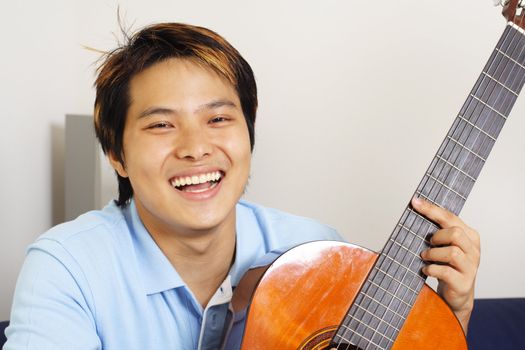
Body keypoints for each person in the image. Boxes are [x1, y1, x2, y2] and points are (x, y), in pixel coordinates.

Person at [4, 22, 480, 349]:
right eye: (161, 125)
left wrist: (450, 315)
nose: (196, 147)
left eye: (218, 118)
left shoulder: (315, 253)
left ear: (249, 131)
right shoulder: (66, 268)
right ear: (116, 154)